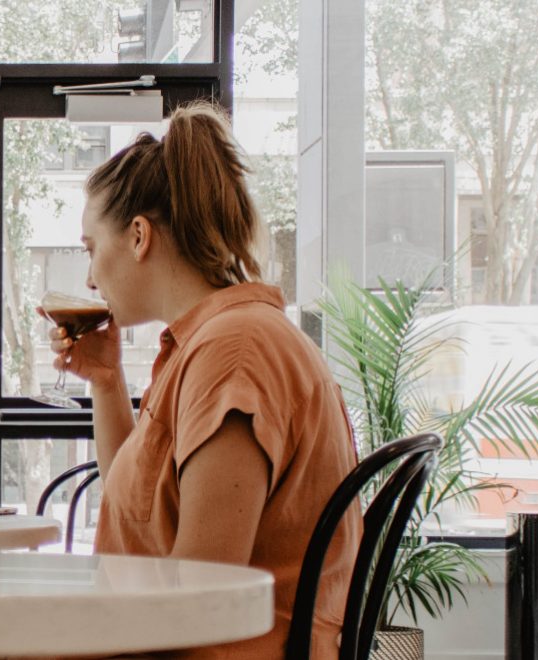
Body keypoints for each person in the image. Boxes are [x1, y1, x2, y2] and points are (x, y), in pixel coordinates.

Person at [48, 102, 360, 658]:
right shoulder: (216, 342)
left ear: (139, 235)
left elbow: (199, 593)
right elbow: (140, 506)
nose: (91, 279)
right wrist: (105, 379)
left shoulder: (233, 355)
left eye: (92, 250)